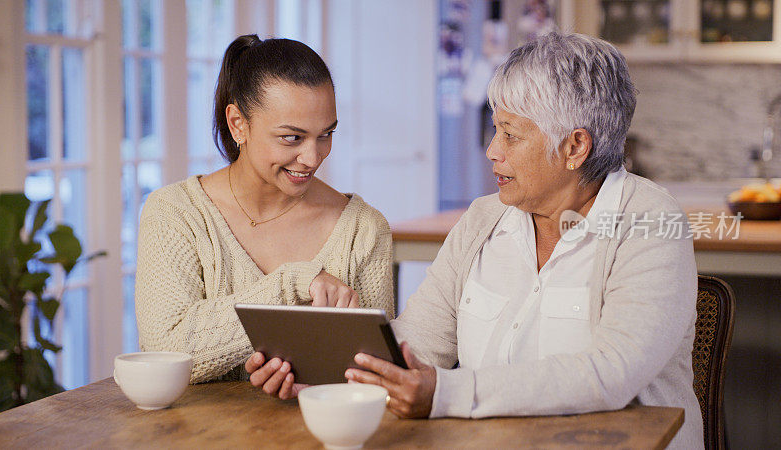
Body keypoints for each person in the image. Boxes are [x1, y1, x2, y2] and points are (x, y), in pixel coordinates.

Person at [345, 32, 703, 449]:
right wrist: (321, 367)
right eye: (495, 130)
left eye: (510, 134)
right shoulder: (482, 220)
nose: (492, 150)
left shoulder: (650, 221)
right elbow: (413, 348)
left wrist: (446, 393)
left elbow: (609, 374)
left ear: (575, 146)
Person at [135, 35, 394, 388]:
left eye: (325, 135)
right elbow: (165, 351)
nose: (313, 158)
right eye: (292, 138)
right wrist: (291, 285)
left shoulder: (363, 229)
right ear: (238, 124)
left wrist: (313, 383)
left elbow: (379, 377)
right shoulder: (175, 213)